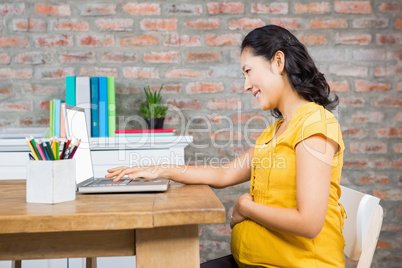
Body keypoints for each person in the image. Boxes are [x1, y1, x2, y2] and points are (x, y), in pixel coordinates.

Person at [106, 25, 346, 268]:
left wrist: (245, 207)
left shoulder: (314, 123)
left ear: (278, 62)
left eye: (249, 71)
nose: (246, 85)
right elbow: (224, 173)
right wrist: (161, 169)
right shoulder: (276, 131)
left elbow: (309, 223)